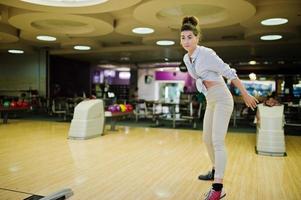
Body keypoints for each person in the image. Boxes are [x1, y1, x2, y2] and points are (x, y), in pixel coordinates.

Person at [180, 16, 258, 200]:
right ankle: (215, 169)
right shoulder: (186, 58)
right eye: (182, 37)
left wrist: (245, 93)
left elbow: (229, 72)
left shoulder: (207, 53)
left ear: (197, 38)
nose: (186, 41)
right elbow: (198, 78)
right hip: (211, 100)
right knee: (206, 138)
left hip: (222, 98)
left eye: (189, 37)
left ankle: (218, 188)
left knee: (217, 141)